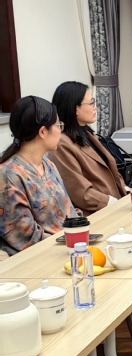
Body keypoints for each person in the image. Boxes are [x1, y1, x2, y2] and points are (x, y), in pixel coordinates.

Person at [0, 96, 77, 255]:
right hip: (40, 257)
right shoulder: (8, 176)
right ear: (42, 132)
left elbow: (70, 213)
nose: (61, 131)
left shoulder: (48, 165)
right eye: (58, 126)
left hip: (69, 246)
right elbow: (27, 239)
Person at [50, 81, 127, 215]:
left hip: (114, 206)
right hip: (96, 214)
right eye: (91, 103)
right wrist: (113, 203)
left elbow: (112, 172)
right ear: (75, 109)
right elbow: (79, 191)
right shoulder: (61, 143)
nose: (95, 108)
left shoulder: (86, 133)